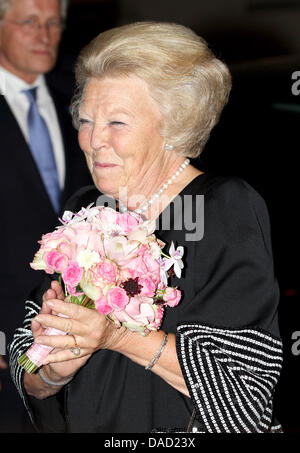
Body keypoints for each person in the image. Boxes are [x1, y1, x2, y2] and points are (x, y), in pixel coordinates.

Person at [9, 22, 283, 433]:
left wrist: (116, 336)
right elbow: (25, 363)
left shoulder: (223, 208)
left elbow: (245, 393)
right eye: (85, 119)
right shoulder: (86, 208)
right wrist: (53, 368)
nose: (93, 140)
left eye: (117, 123)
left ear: (174, 127)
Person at [0, 0, 92, 432]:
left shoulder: (76, 99)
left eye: (53, 22)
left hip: (74, 335)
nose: (45, 34)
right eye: (30, 22)